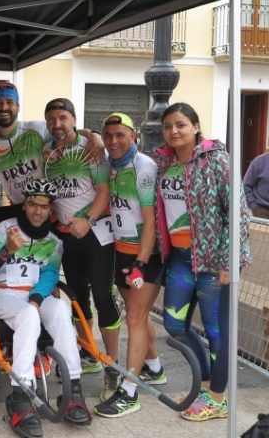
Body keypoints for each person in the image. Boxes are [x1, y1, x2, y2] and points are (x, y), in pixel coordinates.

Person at [155, 102, 251, 422]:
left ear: (196, 126)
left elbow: (238, 213)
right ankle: (206, 386)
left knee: (216, 331)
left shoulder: (218, 161)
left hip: (214, 261)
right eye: (168, 126)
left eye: (181, 124)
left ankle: (219, 398)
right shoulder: (164, 163)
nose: (174, 131)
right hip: (180, 259)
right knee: (174, 325)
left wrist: (228, 261)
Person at [0, 179, 90, 437]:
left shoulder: (54, 241)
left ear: (50, 210)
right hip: (3, 293)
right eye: (33, 205)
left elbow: (50, 274)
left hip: (33, 295)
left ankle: (73, 389)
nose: (38, 211)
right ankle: (20, 395)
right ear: (25, 205)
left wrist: (37, 297)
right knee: (29, 314)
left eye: (44, 207)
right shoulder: (5, 228)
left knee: (61, 309)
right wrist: (7, 250)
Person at [41, 97, 121, 401]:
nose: (57, 124)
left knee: (103, 296)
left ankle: (113, 366)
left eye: (63, 118)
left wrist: (88, 220)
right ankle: (88, 353)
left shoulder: (91, 148)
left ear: (74, 120)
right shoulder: (47, 152)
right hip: (67, 236)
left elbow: (104, 191)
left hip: (96, 233)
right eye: (51, 119)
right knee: (77, 298)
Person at [93, 113, 165, 418]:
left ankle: (130, 391)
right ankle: (155, 368)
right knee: (139, 314)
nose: (113, 141)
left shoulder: (143, 166)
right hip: (121, 249)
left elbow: (150, 220)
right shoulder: (110, 164)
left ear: (134, 135)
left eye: (120, 135)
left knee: (134, 317)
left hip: (143, 254)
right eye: (108, 136)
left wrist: (141, 262)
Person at [0, 83, 46, 230]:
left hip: (46, 209)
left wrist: (92, 135)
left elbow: (68, 133)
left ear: (18, 107)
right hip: (18, 211)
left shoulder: (37, 128)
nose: (4, 107)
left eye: (9, 102)